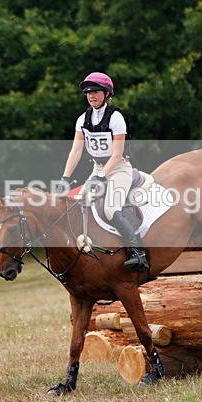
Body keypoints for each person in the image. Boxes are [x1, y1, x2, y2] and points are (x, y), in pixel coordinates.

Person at [54, 72, 149, 272]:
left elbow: (117, 154)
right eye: (88, 92)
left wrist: (100, 176)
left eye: (95, 91)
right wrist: (65, 178)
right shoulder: (82, 119)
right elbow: (76, 151)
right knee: (78, 203)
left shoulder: (116, 117)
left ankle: (137, 252)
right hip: (97, 168)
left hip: (119, 168)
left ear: (107, 94)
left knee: (110, 209)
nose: (91, 95)